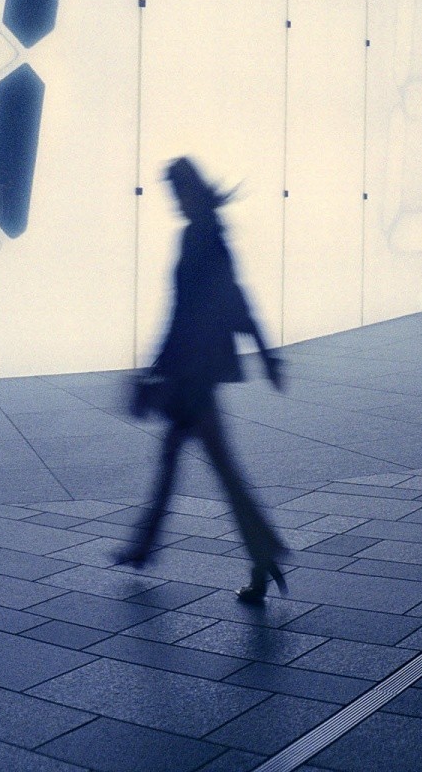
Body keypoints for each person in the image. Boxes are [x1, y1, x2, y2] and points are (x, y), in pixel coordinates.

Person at [119, 156, 289, 605]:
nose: (174, 200)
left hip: (193, 373)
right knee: (196, 463)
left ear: (190, 190)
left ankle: (259, 553)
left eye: (177, 191)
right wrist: (267, 354)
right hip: (197, 369)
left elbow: (215, 304)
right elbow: (232, 302)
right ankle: (257, 553)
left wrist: (156, 367)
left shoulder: (201, 237)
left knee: (199, 466)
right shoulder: (207, 233)